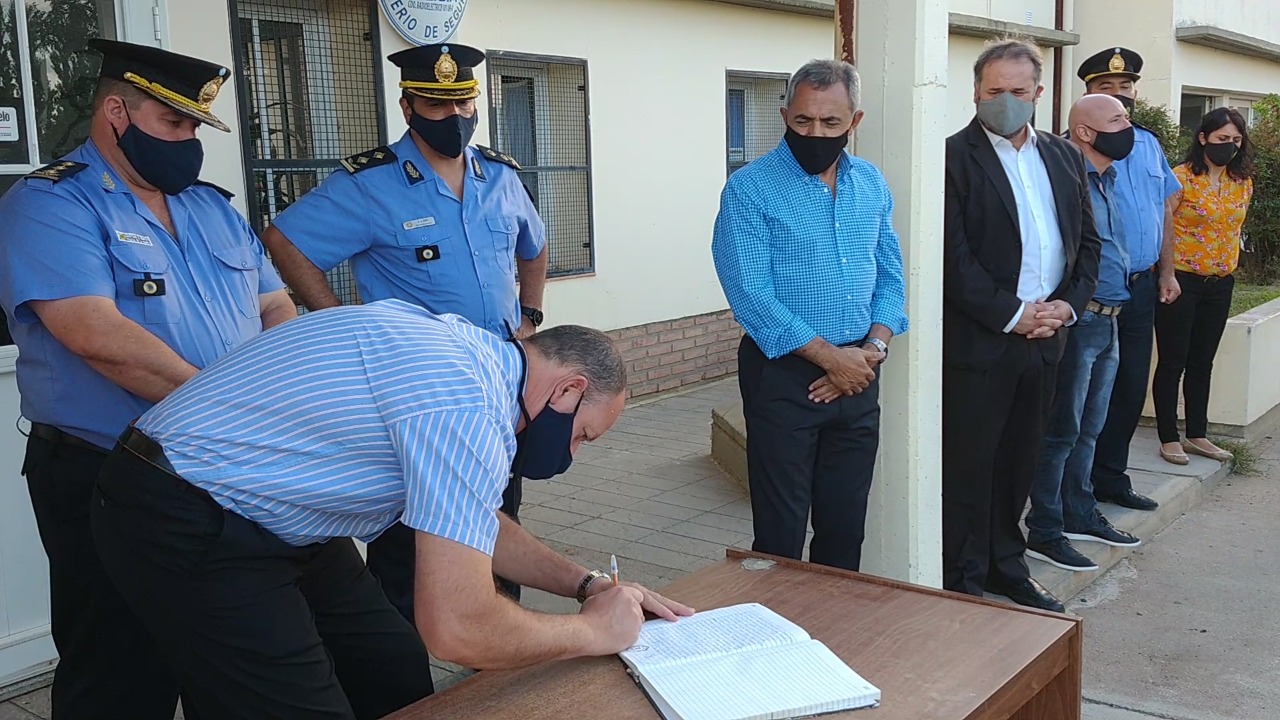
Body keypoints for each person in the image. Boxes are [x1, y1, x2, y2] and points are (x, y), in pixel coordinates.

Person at [89, 300, 691, 720]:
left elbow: (472, 520)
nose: (573, 453)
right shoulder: (468, 408)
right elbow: (457, 628)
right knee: (291, 704)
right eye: (583, 435)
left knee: (390, 662)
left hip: (276, 510)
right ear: (569, 389)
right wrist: (591, 632)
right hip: (179, 507)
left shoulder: (475, 362)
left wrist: (586, 586)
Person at [0, 40, 295, 719]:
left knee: (227, 652)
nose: (189, 141)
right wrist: (235, 411)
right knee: (120, 668)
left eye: (195, 126)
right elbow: (98, 339)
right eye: (174, 122)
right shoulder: (51, 204)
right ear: (116, 112)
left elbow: (275, 306)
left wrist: (281, 399)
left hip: (222, 465)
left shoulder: (210, 207)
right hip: (105, 469)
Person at [259, 42, 548, 620]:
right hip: (415, 397)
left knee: (499, 519)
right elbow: (284, 241)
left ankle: (498, 640)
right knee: (407, 542)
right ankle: (404, 656)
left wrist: (530, 316)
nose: (454, 117)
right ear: (408, 106)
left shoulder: (499, 174)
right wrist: (339, 320)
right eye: (437, 105)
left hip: (496, 387)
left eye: (464, 103)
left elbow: (533, 248)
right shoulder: (370, 183)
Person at [711, 59, 908, 572]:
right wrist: (829, 359)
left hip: (860, 372)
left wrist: (872, 349)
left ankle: (833, 621)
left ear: (854, 122)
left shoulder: (871, 185)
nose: (815, 133)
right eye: (803, 120)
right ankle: (777, 623)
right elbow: (749, 292)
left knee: (845, 525)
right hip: (784, 374)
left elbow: (891, 277)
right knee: (781, 531)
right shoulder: (749, 189)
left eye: (830, 122)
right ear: (784, 116)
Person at [942, 38, 1101, 612]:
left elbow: (1087, 242)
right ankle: (962, 580)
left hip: (1047, 338)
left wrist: (1066, 307)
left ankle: (1007, 567)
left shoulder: (1063, 156)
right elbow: (952, 258)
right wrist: (1013, 314)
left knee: (1020, 461)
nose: (1004, 100)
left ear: (1038, 93)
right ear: (975, 92)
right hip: (983, 342)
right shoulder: (951, 158)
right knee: (970, 466)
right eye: (993, 91)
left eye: (1017, 90)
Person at [1026, 94, 1144, 573]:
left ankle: (1079, 511)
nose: (1127, 126)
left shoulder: (1110, 178)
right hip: (1079, 321)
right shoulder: (1065, 179)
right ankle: (1045, 528)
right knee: (1061, 431)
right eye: (1117, 119)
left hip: (1111, 318)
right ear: (1084, 132)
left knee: (1090, 428)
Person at [1076, 47, 1182, 512]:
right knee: (1081, 396)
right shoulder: (1068, 149)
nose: (1119, 95)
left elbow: (1165, 208)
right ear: (1088, 94)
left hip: (1141, 287)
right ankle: (1073, 489)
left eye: (1126, 87)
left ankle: (1111, 477)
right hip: (1092, 293)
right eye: (1107, 88)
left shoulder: (1148, 144)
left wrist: (1167, 271)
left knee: (1129, 385)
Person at [1153, 108, 1255, 465]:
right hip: (1181, 281)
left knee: (1202, 362)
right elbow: (1163, 228)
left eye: (1236, 140)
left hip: (1220, 284)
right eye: (1222, 138)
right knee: (1173, 361)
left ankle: (1197, 434)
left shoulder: (1242, 182)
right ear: (1203, 138)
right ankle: (1168, 437)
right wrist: (1166, 275)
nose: (1229, 146)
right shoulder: (1180, 178)